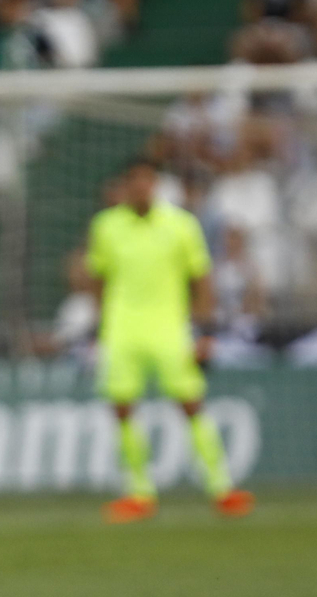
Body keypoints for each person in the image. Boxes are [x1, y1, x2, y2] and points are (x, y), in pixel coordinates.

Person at [83, 158, 254, 522]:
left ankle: (221, 487)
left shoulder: (181, 225)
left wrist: (205, 331)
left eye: (148, 180)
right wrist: (100, 327)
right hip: (122, 330)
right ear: (126, 186)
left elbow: (201, 279)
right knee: (122, 407)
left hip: (170, 329)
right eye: (135, 181)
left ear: (156, 184)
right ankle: (140, 492)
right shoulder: (106, 226)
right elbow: (98, 278)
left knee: (190, 402)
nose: (141, 187)